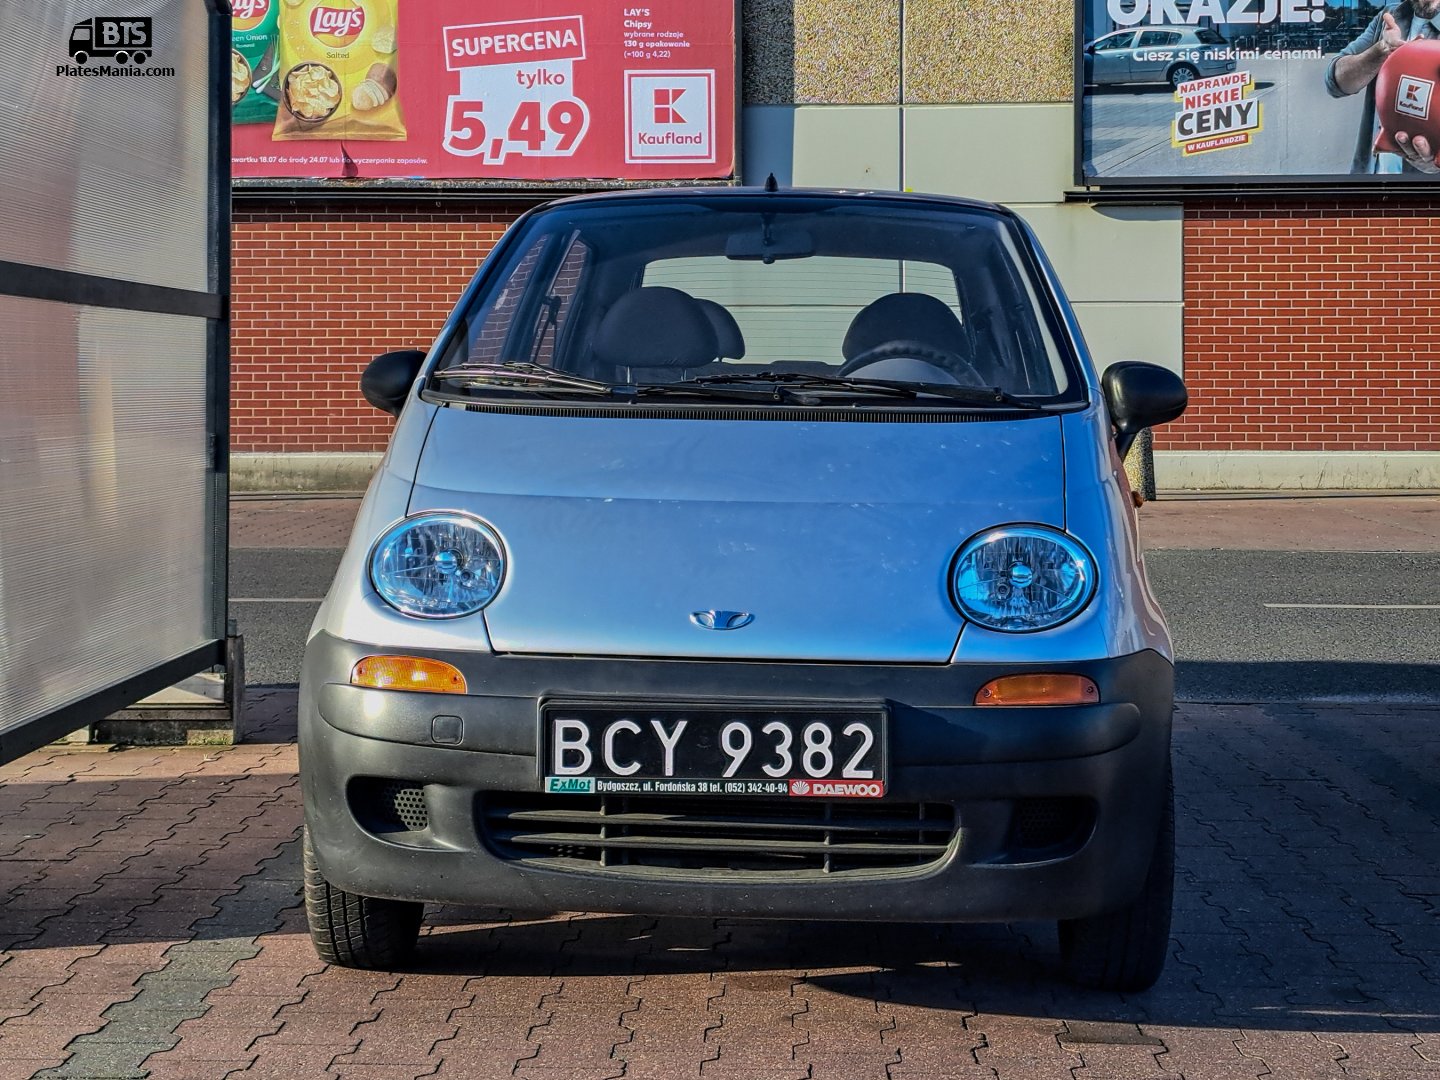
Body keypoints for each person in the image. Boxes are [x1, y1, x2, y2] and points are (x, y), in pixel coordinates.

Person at [1325, 0, 1440, 173]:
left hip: (1424, 192)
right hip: (1374, 177)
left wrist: (1435, 165)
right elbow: (1336, 82)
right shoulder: (1391, 16)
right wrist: (1381, 50)